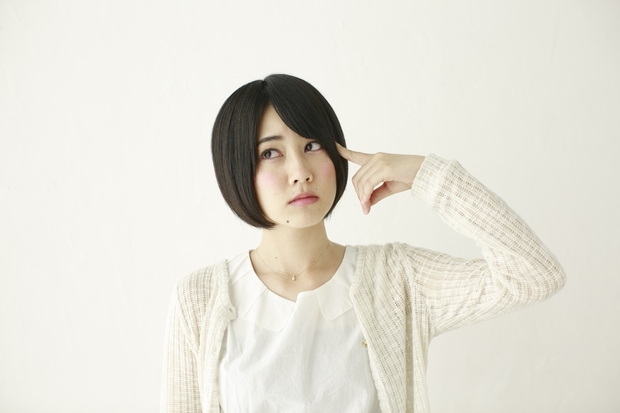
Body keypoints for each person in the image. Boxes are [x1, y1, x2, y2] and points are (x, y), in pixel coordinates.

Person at [160, 74, 566, 413]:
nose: (300, 171)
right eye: (271, 153)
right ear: (237, 168)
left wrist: (427, 175)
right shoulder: (201, 298)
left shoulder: (396, 279)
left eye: (312, 145)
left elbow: (535, 276)